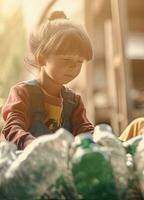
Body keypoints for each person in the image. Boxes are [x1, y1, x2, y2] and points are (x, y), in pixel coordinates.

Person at [0, 11, 94, 150]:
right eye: (67, 59)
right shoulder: (22, 93)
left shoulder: (74, 101)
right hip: (24, 164)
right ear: (42, 58)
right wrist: (32, 144)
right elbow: (12, 128)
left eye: (79, 61)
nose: (74, 66)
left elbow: (85, 131)